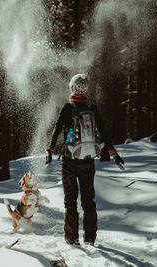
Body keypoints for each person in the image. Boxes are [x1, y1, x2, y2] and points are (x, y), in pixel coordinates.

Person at [45, 73, 124, 245]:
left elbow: (57, 129)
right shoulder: (92, 108)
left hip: (70, 160)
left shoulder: (68, 107)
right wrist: (112, 152)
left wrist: (50, 149)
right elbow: (103, 131)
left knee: (70, 202)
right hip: (88, 160)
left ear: (73, 88)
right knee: (89, 201)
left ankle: (72, 239)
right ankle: (90, 239)